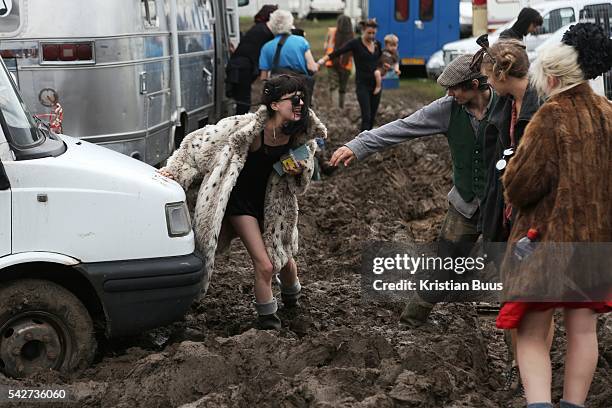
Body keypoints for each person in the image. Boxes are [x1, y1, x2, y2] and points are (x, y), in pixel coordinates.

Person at [328, 54, 498, 327]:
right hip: (465, 204)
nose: (449, 93)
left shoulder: (507, 107)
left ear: (476, 84)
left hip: (502, 206)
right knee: (444, 268)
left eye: (455, 88)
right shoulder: (447, 109)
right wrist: (358, 146)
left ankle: (519, 348)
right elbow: (403, 127)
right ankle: (411, 322)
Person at [496, 23, 612, 408]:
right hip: (596, 241)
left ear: (552, 74)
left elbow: (522, 185)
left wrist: (509, 172)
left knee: (531, 333)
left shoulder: (551, 117)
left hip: (545, 242)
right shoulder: (609, 113)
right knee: (583, 331)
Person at [158, 75, 327, 330]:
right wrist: (175, 169)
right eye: (293, 99)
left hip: (274, 207)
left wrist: (300, 170)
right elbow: (197, 144)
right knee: (265, 265)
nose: (300, 103)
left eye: (302, 97)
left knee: (285, 261)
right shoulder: (244, 129)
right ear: (273, 104)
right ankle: (268, 323)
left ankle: (293, 299)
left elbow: (303, 179)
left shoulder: (300, 136)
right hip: (241, 204)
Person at [473, 35, 552, 392]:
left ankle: (531, 369)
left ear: (503, 73)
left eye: (489, 75)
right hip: (505, 212)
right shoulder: (503, 107)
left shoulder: (544, 110)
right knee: (513, 295)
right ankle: (519, 365)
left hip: (536, 218)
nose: (485, 82)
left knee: (535, 302)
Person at [317, 19, 382, 131]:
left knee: (372, 117)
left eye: (373, 33)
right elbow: (338, 52)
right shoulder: (355, 43)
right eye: (369, 33)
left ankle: (371, 142)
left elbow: (380, 61)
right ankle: (363, 143)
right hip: (362, 85)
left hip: (376, 85)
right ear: (363, 31)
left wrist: (386, 67)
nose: (371, 36)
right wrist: (321, 61)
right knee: (366, 116)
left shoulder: (377, 45)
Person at [226, 5, 278, 115]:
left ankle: (239, 123)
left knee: (242, 101)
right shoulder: (265, 31)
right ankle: (239, 127)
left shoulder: (258, 28)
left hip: (238, 67)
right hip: (242, 68)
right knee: (244, 102)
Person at [259, 9, 319, 103]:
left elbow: (263, 78)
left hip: (278, 91)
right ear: (290, 23)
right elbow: (312, 67)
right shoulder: (301, 41)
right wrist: (316, 66)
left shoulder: (266, 47)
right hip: (299, 89)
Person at [323, 15, 354, 108]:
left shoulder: (331, 32)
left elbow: (325, 47)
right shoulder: (352, 35)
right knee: (342, 88)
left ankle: (335, 109)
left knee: (334, 86)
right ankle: (341, 108)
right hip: (346, 65)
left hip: (331, 62)